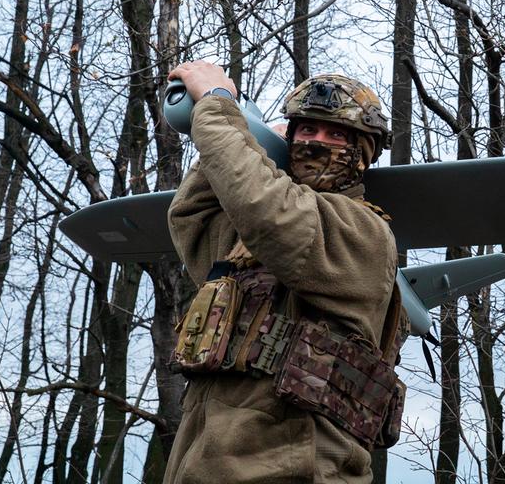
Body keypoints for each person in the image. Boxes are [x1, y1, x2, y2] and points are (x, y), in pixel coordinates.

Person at [162, 61, 407, 484]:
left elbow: (270, 211)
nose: (316, 143)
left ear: (364, 152)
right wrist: (253, 141)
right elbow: (193, 217)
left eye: (336, 135)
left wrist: (219, 107)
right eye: (306, 131)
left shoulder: (363, 233)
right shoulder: (251, 243)